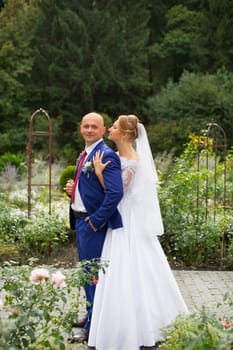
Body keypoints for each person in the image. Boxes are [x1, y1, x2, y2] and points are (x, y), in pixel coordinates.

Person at [88, 114, 188, 349]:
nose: (109, 129)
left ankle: (137, 327)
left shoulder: (131, 160)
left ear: (123, 134)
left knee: (126, 267)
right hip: (126, 216)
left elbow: (118, 192)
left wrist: (100, 174)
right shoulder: (122, 155)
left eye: (113, 127)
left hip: (127, 220)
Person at [64, 112, 124, 343]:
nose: (89, 130)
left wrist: (97, 220)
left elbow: (116, 192)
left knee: (92, 275)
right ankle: (91, 315)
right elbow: (92, 189)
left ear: (102, 130)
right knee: (87, 274)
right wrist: (73, 190)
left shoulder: (106, 155)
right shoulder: (84, 155)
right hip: (80, 220)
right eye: (86, 126)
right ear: (81, 128)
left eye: (94, 127)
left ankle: (93, 327)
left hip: (92, 224)